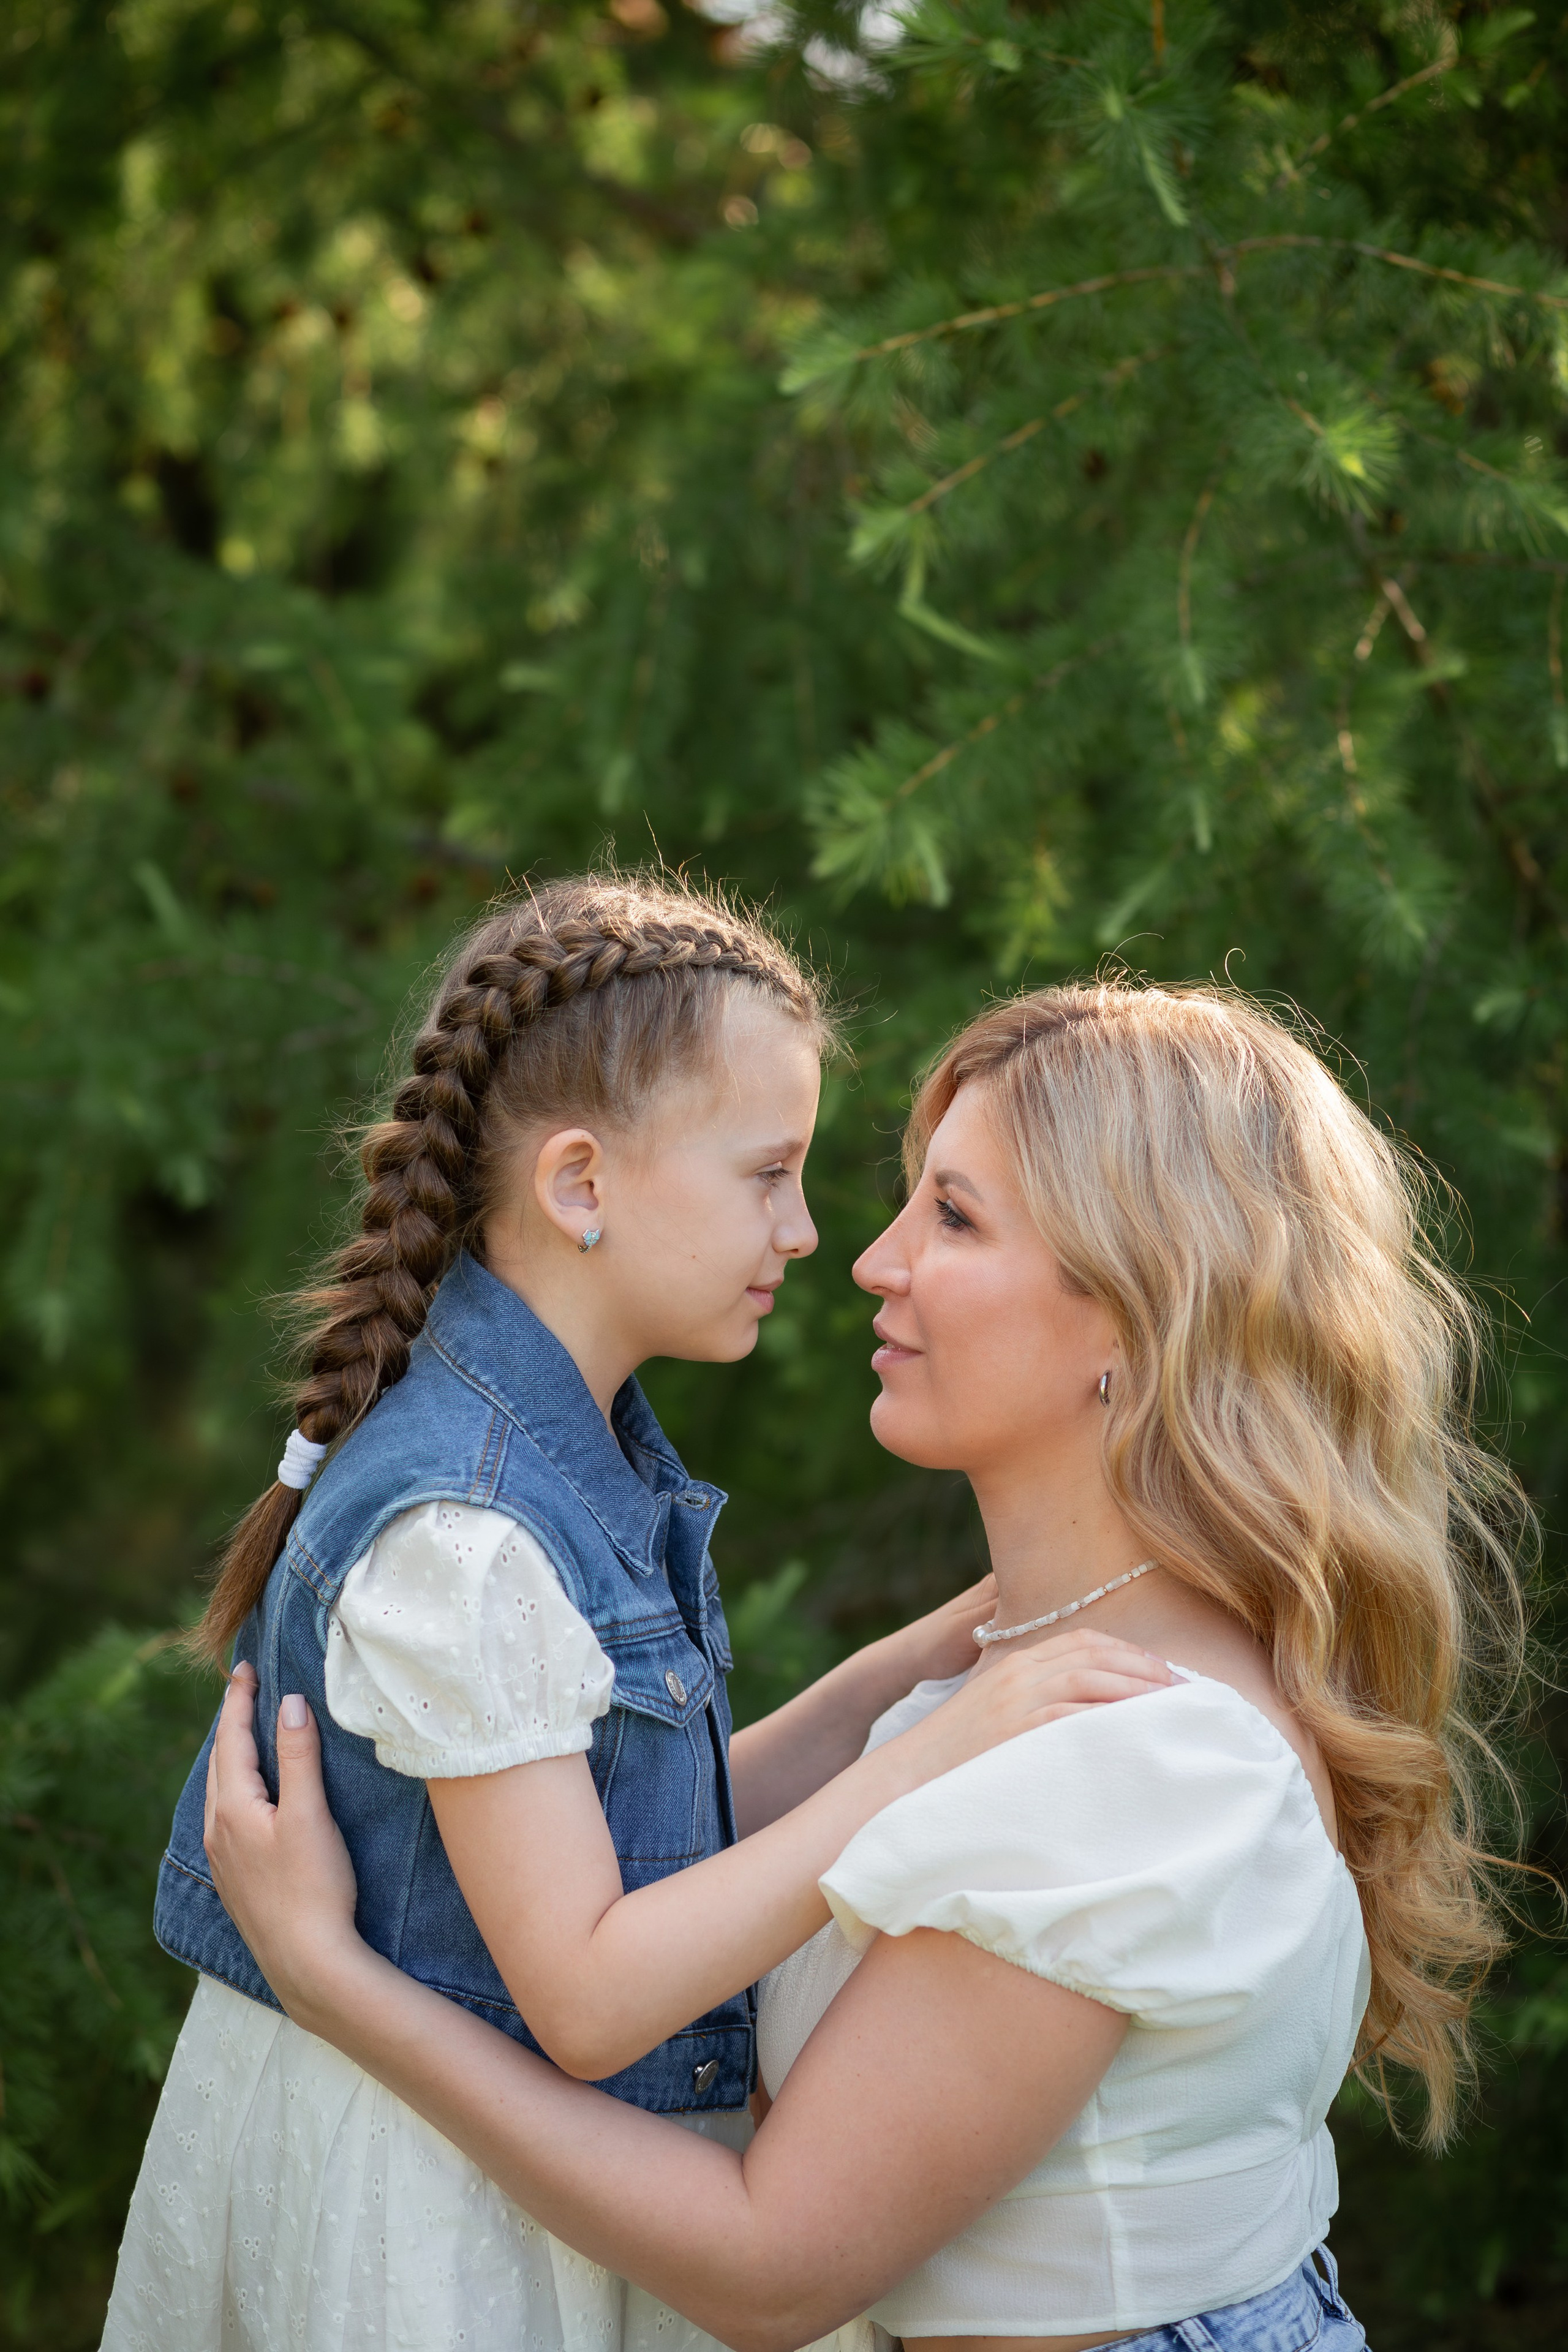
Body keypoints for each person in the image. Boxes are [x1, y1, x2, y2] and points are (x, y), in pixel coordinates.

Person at [202, 977, 1534, 2352]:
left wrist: (334, 1980)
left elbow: (768, 2269)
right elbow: (666, 1861)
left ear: (1142, 1319)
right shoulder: (1059, 1650)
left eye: (952, 1217)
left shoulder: (1126, 1752)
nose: (868, 1259)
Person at [102, 880, 1165, 2352]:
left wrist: (948, 1649)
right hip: (433, 2204)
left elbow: (641, 1826)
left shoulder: (567, 1441)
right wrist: (926, 1757)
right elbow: (592, 1992)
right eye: (765, 1174)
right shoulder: (462, 1536)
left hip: (506, 2146)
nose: (809, 1234)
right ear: (582, 1185)